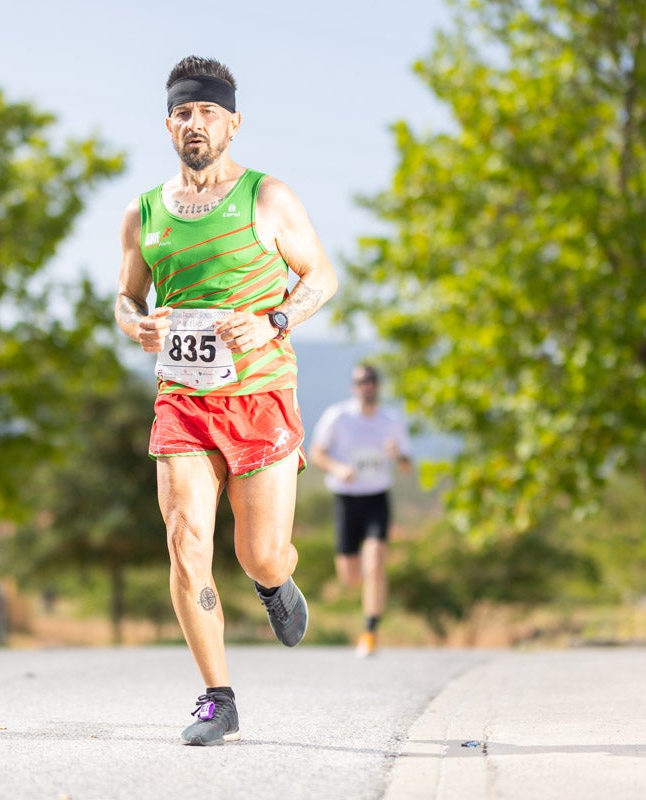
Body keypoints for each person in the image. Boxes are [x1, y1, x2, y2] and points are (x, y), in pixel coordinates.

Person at [115, 55, 337, 746]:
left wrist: (273, 319)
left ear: (233, 122)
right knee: (185, 544)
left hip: (260, 394)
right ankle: (218, 697)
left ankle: (276, 583)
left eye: (207, 111)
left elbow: (322, 277)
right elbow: (127, 296)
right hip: (182, 399)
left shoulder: (267, 198)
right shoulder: (144, 212)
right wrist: (135, 324)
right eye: (183, 112)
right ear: (168, 124)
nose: (194, 123)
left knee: (260, 554)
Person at [308, 364, 412, 658]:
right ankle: (364, 595)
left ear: (378, 386)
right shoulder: (338, 417)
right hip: (346, 499)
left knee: (375, 562)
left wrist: (397, 455)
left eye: (372, 381)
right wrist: (338, 468)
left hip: (377, 497)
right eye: (361, 381)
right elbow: (316, 452)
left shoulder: (391, 421)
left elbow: (406, 465)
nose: (367, 386)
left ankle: (370, 631)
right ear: (354, 387)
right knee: (351, 575)